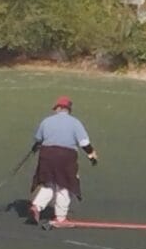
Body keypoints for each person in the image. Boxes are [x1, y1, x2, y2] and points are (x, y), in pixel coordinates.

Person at [29, 96, 98, 227]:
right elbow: (84, 143)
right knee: (64, 186)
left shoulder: (46, 121)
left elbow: (38, 139)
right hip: (66, 157)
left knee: (48, 184)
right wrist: (91, 154)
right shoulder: (75, 123)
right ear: (68, 110)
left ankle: (36, 207)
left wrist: (35, 148)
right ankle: (61, 218)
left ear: (59, 108)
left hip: (47, 155)